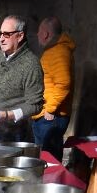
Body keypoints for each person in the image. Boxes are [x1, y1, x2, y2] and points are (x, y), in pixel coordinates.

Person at [0, 14, 43, 142]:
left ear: (20, 36)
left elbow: (36, 105)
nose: (1, 39)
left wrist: (7, 115)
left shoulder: (31, 64)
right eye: (0, 34)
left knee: (3, 163)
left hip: (12, 134)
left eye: (6, 34)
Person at [31, 17, 75, 162]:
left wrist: (50, 108)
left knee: (49, 161)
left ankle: (50, 184)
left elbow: (64, 83)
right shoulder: (54, 51)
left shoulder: (59, 52)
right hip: (46, 116)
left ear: (45, 34)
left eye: (39, 32)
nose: (37, 35)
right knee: (44, 159)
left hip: (51, 118)